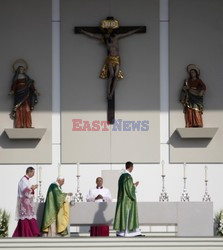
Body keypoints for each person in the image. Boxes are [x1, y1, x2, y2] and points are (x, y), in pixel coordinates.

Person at [80, 17, 143, 99]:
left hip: (117, 58)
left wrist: (137, 30)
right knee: (111, 74)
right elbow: (92, 35)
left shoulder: (116, 37)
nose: (108, 33)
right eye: (106, 32)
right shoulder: (105, 39)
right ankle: (108, 92)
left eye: (109, 31)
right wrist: (83, 31)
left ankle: (112, 92)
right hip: (110, 58)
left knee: (116, 75)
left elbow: (128, 33)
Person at [113, 161, 142, 237]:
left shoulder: (121, 177)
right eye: (132, 168)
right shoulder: (128, 176)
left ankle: (122, 231)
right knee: (127, 215)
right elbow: (129, 189)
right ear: (131, 167)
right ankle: (127, 232)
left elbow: (124, 187)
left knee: (123, 215)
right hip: (127, 201)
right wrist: (135, 186)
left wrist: (132, 185)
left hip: (122, 199)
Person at [8, 59, 39, 128]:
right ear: (18, 70)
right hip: (18, 94)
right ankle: (19, 125)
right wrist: (12, 91)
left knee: (27, 109)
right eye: (20, 69)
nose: (21, 70)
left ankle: (27, 125)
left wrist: (35, 91)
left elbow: (31, 85)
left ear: (24, 70)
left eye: (22, 69)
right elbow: (14, 85)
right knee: (19, 109)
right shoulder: (16, 77)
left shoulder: (26, 77)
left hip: (26, 94)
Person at [13, 167, 40, 237]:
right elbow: (25, 192)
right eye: (33, 173)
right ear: (29, 172)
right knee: (26, 218)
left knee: (28, 218)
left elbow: (28, 190)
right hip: (24, 204)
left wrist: (32, 188)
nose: (33, 174)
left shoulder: (27, 180)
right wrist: (32, 188)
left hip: (27, 203)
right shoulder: (23, 180)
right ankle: (28, 234)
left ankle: (29, 234)